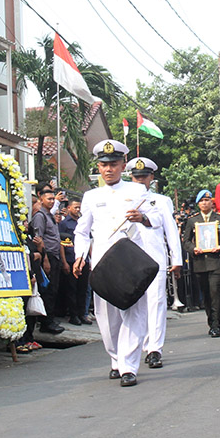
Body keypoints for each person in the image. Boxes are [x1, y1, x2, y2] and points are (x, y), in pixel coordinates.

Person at [72, 140, 161, 387]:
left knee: (135, 311)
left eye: (113, 164)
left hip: (131, 260)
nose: (108, 169)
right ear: (98, 168)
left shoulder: (137, 191)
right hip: (103, 261)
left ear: (123, 166)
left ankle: (129, 366)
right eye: (103, 165)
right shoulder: (91, 196)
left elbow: (156, 219)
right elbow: (82, 231)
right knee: (106, 316)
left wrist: (142, 217)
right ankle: (115, 359)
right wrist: (81, 256)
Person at [125, 157, 182, 369]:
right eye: (136, 177)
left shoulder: (161, 200)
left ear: (151, 177)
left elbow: (171, 231)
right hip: (130, 258)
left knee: (156, 302)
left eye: (144, 177)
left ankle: (155, 348)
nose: (140, 180)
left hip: (155, 256)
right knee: (135, 304)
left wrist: (176, 259)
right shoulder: (122, 198)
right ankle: (136, 346)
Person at [183, 189, 220, 337]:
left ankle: (216, 324)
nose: (204, 203)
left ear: (211, 202)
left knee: (216, 292)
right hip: (200, 262)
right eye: (201, 201)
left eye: (207, 200)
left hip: (216, 261)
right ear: (198, 204)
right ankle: (211, 319)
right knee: (206, 293)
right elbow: (186, 241)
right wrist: (193, 249)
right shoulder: (192, 221)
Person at [29, 188, 66, 335]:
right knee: (48, 291)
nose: (51, 201)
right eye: (48, 199)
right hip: (47, 256)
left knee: (54, 290)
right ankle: (46, 323)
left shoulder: (50, 215)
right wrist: (44, 258)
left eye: (53, 199)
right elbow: (39, 239)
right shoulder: (40, 216)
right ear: (41, 199)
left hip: (55, 255)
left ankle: (50, 319)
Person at [58, 194, 87, 325]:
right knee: (72, 289)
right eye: (75, 207)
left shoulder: (83, 222)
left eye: (79, 208)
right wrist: (64, 262)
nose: (78, 210)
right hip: (70, 258)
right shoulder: (64, 224)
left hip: (83, 259)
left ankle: (82, 314)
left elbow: (89, 240)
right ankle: (73, 315)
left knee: (83, 288)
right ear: (69, 207)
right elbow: (61, 244)